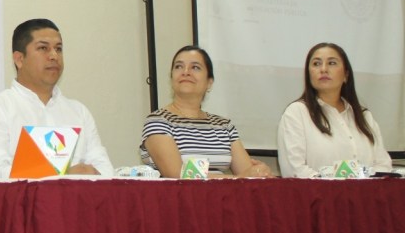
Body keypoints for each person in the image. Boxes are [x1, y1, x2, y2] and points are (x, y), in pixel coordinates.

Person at [0, 18, 113, 179]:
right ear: (19, 59)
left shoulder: (79, 112)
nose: (54, 56)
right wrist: (66, 176)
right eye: (43, 48)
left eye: (58, 49)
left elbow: (106, 171)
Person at [140, 45, 272, 178]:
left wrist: (260, 172)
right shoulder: (158, 121)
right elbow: (177, 174)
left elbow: (249, 175)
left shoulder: (224, 126)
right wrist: (238, 178)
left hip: (226, 192)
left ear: (209, 82)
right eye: (178, 66)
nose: (185, 72)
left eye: (195, 67)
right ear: (172, 79)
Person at [277, 42, 391, 178]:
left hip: (366, 191)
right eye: (316, 64)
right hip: (316, 191)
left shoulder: (364, 116)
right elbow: (294, 170)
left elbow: (383, 166)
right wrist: (337, 186)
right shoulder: (297, 112)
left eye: (331, 63)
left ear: (346, 75)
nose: (323, 69)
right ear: (309, 75)